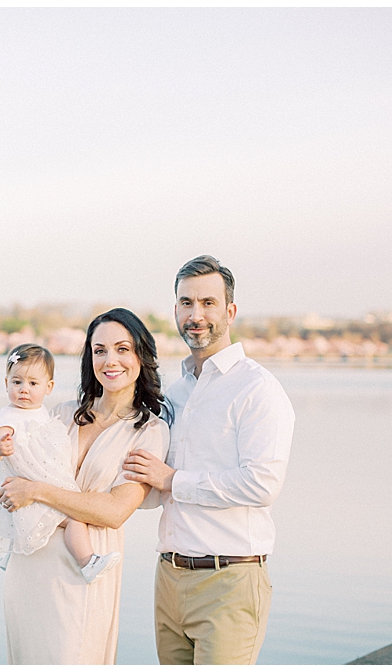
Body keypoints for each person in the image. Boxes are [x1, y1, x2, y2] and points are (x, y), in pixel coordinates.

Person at [123, 255, 295, 665]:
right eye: (186, 303)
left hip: (229, 580)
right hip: (169, 578)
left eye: (208, 303)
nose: (195, 315)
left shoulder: (257, 389)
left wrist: (173, 480)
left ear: (230, 311)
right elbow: (151, 483)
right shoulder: (174, 395)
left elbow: (262, 484)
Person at [0, 308, 171, 664]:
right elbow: (13, 473)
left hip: (84, 569)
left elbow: (114, 511)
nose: (110, 360)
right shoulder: (61, 413)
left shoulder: (149, 431)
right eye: (99, 350)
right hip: (29, 565)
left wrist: (37, 492)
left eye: (122, 349)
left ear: (141, 355)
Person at [0, 343, 122, 584]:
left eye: (33, 383)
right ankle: (88, 561)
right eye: (17, 382)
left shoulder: (43, 413)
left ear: (48, 387)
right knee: (74, 519)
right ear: (6, 383)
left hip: (41, 481)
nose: (24, 389)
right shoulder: (7, 416)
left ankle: (12, 553)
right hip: (26, 483)